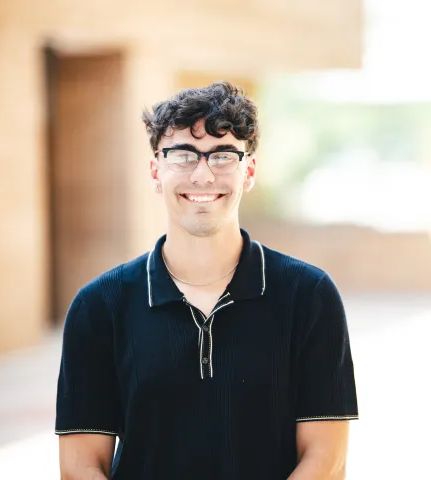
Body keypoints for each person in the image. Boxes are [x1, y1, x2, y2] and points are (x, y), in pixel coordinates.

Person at [55, 82, 359, 480]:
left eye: (222, 155)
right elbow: (80, 467)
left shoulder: (310, 296)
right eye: (182, 155)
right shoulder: (99, 306)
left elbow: (326, 460)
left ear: (248, 170)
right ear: (155, 171)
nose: (202, 174)